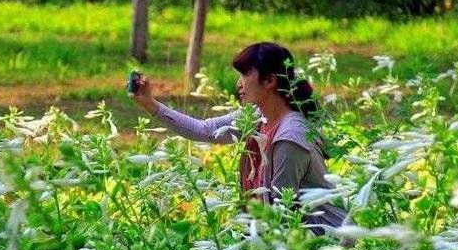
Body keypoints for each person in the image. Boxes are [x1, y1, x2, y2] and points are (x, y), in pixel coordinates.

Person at [132, 41, 346, 234]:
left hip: (326, 242)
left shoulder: (289, 138)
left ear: (270, 80)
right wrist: (149, 103)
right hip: (282, 236)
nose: (238, 84)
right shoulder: (257, 116)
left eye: (244, 75)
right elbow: (205, 130)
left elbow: (282, 212)